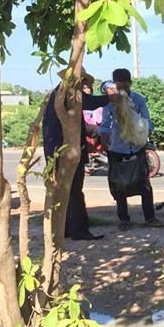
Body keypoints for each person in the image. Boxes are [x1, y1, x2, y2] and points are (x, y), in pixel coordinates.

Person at [42, 71, 113, 241]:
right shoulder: (68, 94)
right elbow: (89, 102)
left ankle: (64, 228)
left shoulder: (58, 94)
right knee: (74, 191)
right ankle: (79, 230)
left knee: (64, 191)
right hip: (65, 151)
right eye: (83, 82)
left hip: (57, 150)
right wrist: (110, 98)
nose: (84, 86)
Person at [99, 68, 162, 230]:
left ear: (130, 84)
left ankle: (150, 217)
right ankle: (124, 219)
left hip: (137, 147)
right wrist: (104, 139)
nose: (122, 90)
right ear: (115, 85)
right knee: (119, 185)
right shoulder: (109, 102)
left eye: (125, 87)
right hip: (117, 148)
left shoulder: (139, 100)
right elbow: (105, 125)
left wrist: (139, 128)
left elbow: (148, 122)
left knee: (144, 184)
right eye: (119, 87)